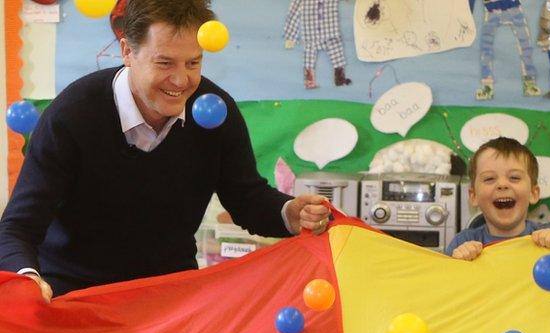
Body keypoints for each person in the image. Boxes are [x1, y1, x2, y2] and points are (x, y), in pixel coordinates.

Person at [0, 0, 330, 301]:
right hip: (74, 294)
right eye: (164, 62)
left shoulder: (215, 111)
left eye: (193, 62)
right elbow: (18, 227)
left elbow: (247, 199)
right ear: (127, 51)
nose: (181, 79)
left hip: (170, 296)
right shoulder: (73, 114)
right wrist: (28, 280)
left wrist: (290, 212)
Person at [445, 137, 550, 260]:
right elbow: (442, 276)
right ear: (473, 196)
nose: (502, 185)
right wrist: (457, 264)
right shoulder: (462, 242)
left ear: (533, 193)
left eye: (514, 177)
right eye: (489, 179)